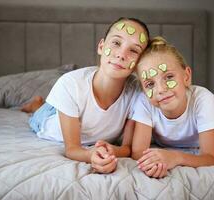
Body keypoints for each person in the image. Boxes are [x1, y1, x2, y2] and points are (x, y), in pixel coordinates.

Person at [23, 17, 149, 174]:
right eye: (116, 43)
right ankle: (36, 104)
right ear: (101, 47)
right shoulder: (70, 84)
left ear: (140, 62)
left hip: (71, 106)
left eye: (134, 50)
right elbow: (72, 149)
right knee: (37, 115)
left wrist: (112, 152)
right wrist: (90, 155)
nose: (121, 55)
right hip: (49, 119)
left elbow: (127, 148)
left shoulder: (137, 94)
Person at [131, 36, 214, 178]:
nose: (160, 89)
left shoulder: (203, 99)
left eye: (168, 77)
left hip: (206, 116)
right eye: (150, 84)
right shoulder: (144, 102)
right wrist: (155, 164)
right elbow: (138, 152)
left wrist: (176, 158)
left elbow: (212, 158)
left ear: (186, 77)